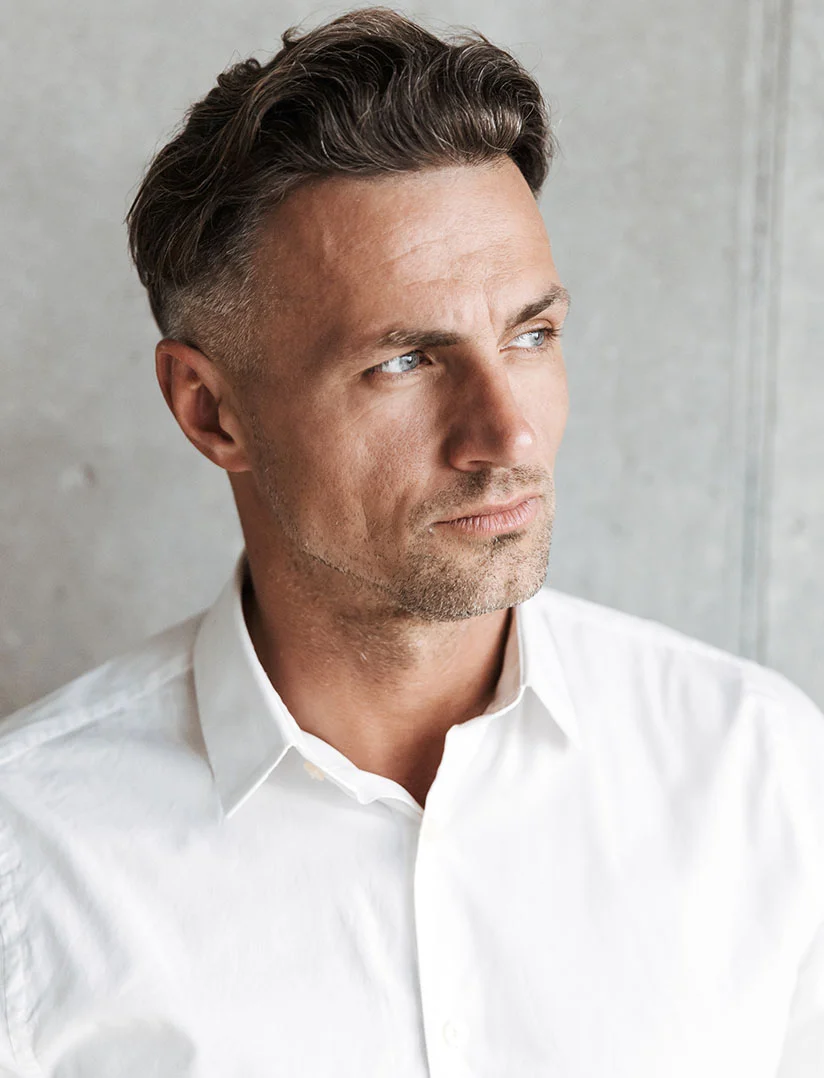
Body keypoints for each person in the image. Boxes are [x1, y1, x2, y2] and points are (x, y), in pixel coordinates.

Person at [0, 7, 822, 1076]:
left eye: (529, 335)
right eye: (401, 362)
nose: (507, 435)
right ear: (211, 411)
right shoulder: (30, 856)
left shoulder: (757, 774)